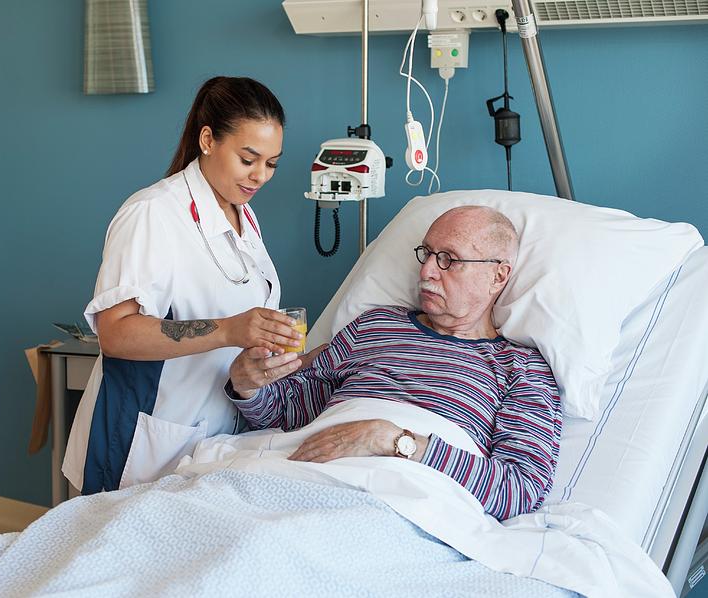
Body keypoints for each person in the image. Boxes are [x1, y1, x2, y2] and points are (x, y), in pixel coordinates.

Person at [226, 206, 562, 521]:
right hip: (306, 477)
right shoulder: (375, 325)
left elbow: (518, 489)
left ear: (498, 276)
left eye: (448, 259)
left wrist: (388, 439)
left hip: (403, 503)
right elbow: (290, 412)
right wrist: (247, 386)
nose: (427, 271)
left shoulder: (521, 368)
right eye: (427, 254)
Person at [63, 76, 303, 494]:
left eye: (272, 163)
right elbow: (116, 332)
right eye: (248, 159)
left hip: (215, 439)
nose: (260, 175)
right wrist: (230, 329)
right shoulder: (152, 213)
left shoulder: (242, 215)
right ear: (207, 139)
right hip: (144, 444)